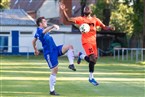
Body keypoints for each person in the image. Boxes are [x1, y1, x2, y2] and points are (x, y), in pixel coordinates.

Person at [60, 3, 115, 86]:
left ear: (91, 11)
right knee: (92, 58)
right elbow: (68, 19)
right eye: (85, 8)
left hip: (93, 42)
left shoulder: (95, 20)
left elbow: (104, 27)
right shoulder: (81, 19)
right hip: (86, 41)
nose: (87, 9)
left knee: (93, 61)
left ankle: (81, 56)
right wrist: (64, 10)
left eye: (88, 8)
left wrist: (110, 28)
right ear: (83, 11)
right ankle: (91, 78)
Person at [32, 16, 76, 95]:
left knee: (70, 47)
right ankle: (52, 91)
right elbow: (43, 32)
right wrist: (52, 26)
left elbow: (33, 41)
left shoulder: (40, 32)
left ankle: (71, 64)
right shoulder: (39, 30)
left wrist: (35, 49)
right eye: (44, 21)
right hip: (49, 53)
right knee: (55, 70)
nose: (46, 22)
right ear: (40, 24)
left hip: (55, 49)